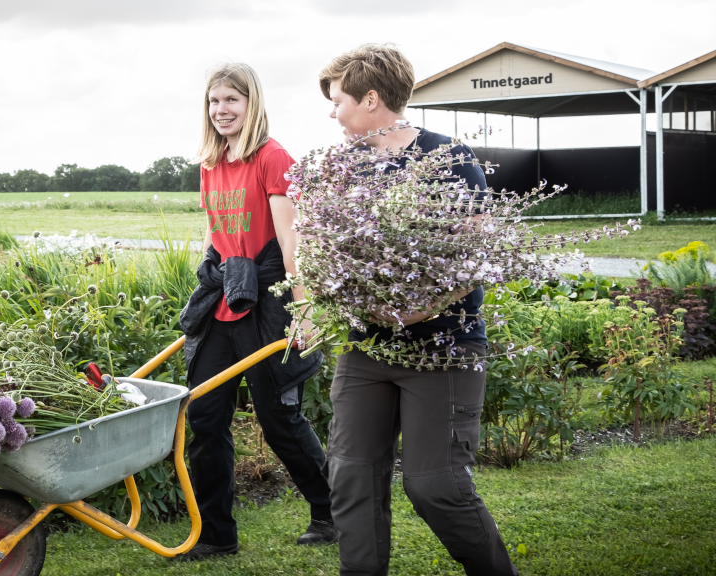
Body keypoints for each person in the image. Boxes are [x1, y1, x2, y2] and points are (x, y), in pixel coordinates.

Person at [312, 44, 519, 576]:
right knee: (352, 476)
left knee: (435, 485)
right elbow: (325, 249)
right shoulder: (343, 169)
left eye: (338, 101)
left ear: (371, 99)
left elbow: (478, 256)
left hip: (443, 348)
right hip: (367, 349)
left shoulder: (448, 159)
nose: (333, 113)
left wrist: (423, 308)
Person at [176, 63, 336, 561]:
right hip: (224, 299)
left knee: (278, 417)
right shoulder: (210, 162)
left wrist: (305, 310)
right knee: (203, 415)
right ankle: (217, 534)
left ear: (252, 104)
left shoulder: (273, 158)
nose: (221, 110)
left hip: (267, 301)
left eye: (231, 101)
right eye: (214, 101)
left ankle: (332, 513)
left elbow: (291, 241)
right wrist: (206, 273)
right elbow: (215, 229)